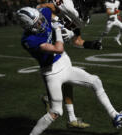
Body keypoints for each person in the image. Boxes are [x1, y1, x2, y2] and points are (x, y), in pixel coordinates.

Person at [17, 7, 122, 135]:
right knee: (55, 112)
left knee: (95, 81)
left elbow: (54, 6)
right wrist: (58, 30)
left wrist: (66, 24)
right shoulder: (29, 41)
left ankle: (115, 116)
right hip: (52, 73)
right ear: (28, 27)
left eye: (40, 18)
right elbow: (58, 48)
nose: (42, 22)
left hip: (65, 65)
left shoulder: (44, 13)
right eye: (38, 22)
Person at [37, 0, 100, 128]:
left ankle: (71, 118)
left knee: (67, 82)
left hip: (59, 50)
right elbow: (41, 7)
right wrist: (53, 25)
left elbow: (77, 41)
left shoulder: (75, 15)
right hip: (48, 46)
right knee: (60, 81)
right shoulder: (62, 6)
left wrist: (90, 44)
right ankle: (52, 102)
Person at [36, 0, 102, 49]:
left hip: (54, 29)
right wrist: (57, 21)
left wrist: (91, 45)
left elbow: (77, 41)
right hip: (46, 21)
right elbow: (46, 7)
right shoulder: (70, 7)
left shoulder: (80, 17)